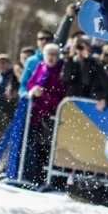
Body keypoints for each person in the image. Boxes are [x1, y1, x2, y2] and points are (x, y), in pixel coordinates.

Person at [23, 43, 66, 185]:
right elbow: (29, 83)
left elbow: (61, 94)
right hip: (35, 113)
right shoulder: (41, 66)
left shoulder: (60, 71)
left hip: (50, 114)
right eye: (49, 54)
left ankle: (43, 179)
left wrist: (45, 95)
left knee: (46, 147)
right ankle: (31, 175)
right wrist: (34, 89)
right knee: (34, 145)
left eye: (55, 55)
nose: (52, 57)